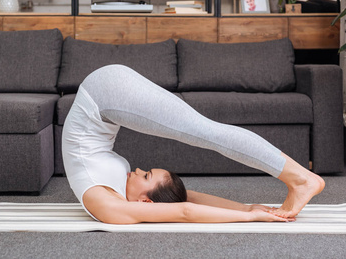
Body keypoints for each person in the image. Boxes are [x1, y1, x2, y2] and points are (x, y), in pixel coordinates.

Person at [62, 65, 325, 224]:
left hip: (103, 95)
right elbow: (183, 202)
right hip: (105, 94)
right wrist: (246, 209)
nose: (138, 169)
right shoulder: (128, 199)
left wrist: (249, 217)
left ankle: (301, 179)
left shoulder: (107, 206)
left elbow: (185, 212)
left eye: (145, 175)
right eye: (146, 174)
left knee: (207, 132)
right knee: (206, 131)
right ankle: (300, 178)